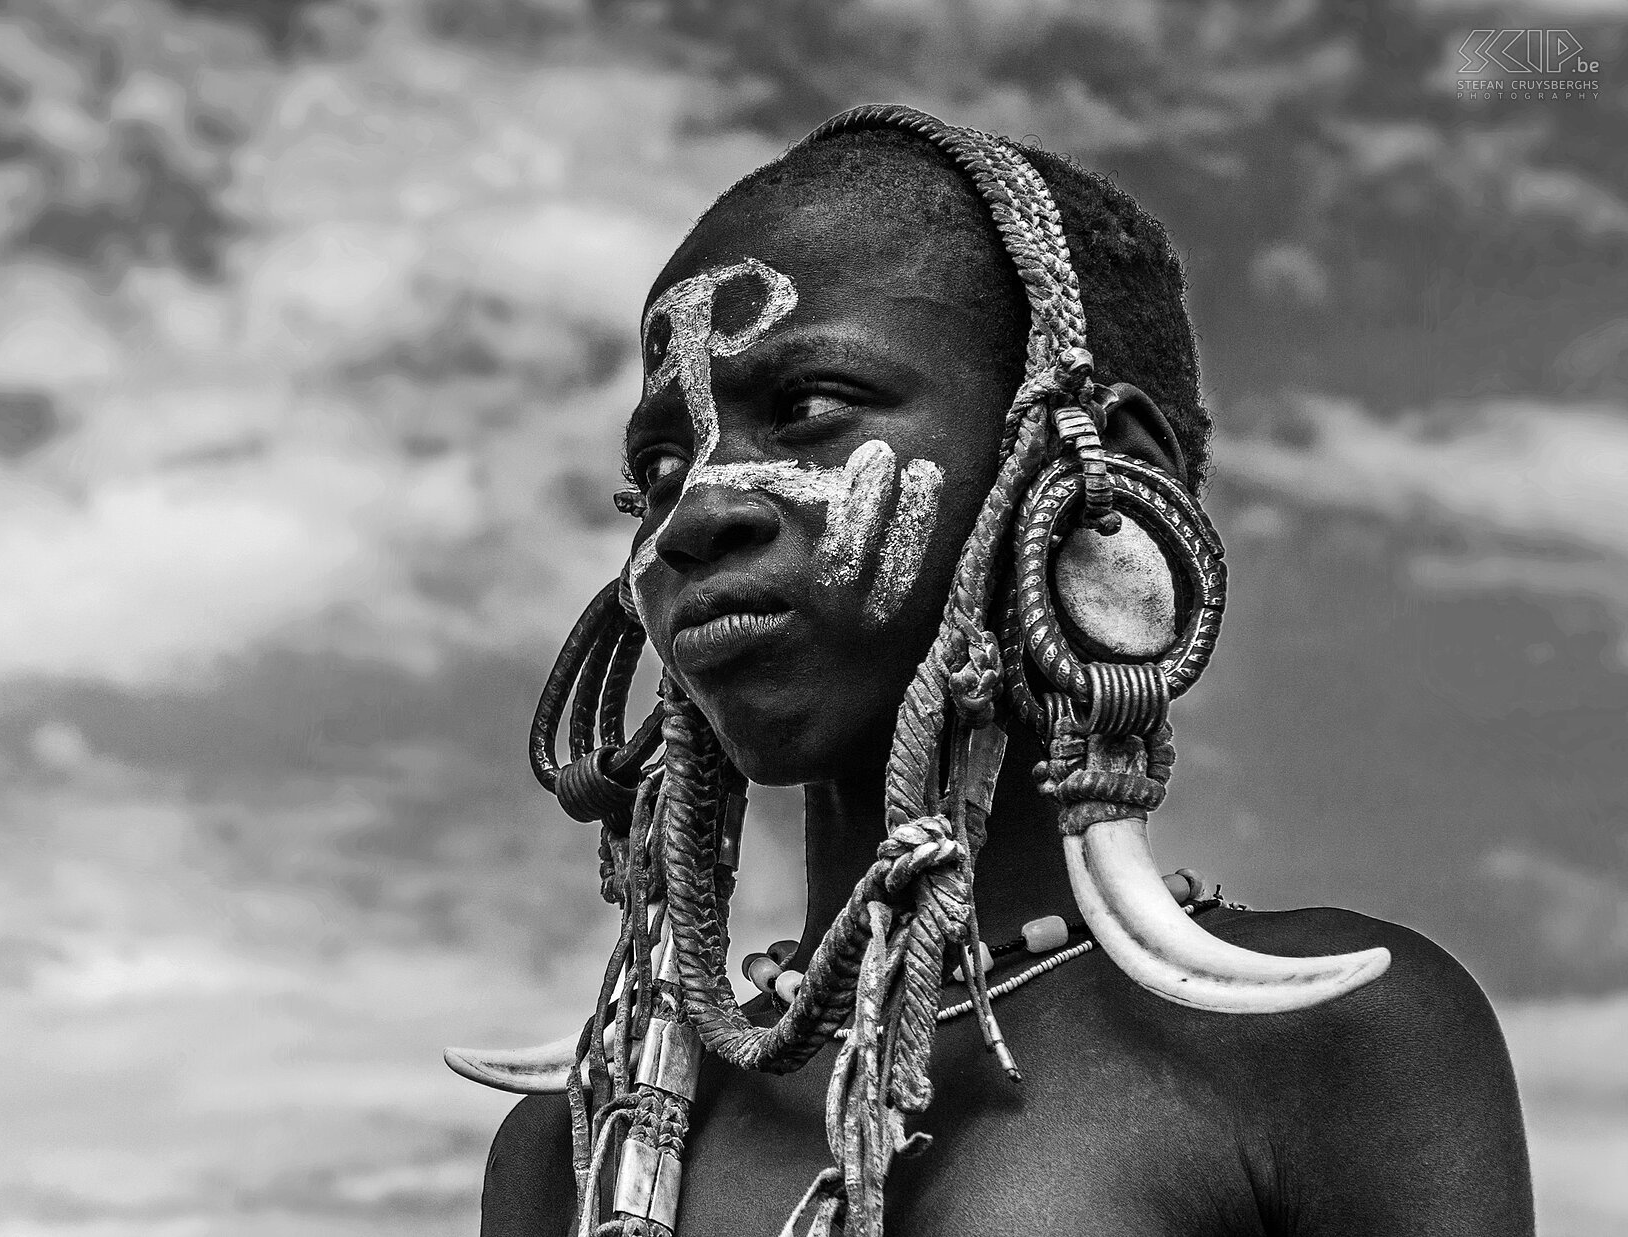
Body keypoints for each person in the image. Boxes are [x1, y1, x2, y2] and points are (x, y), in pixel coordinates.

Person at [454, 105, 1534, 1236]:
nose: (694, 513)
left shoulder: (1325, 1041)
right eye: (658, 467)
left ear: (1107, 470)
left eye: (808, 408)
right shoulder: (577, 1145)